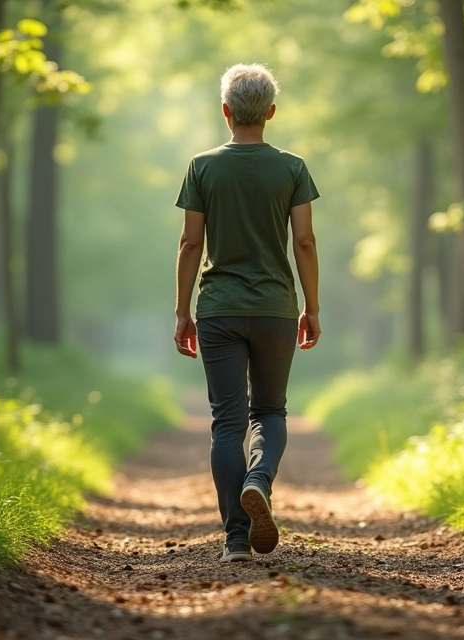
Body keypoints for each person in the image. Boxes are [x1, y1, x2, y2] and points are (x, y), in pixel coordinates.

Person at [173, 63, 322, 563]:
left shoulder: (203, 166)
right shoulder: (292, 168)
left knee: (227, 423)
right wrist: (311, 307)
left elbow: (191, 242)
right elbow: (303, 240)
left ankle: (236, 540)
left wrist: (181, 312)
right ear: (271, 112)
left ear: (225, 111)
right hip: (277, 309)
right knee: (271, 411)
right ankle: (259, 480)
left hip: (217, 309)